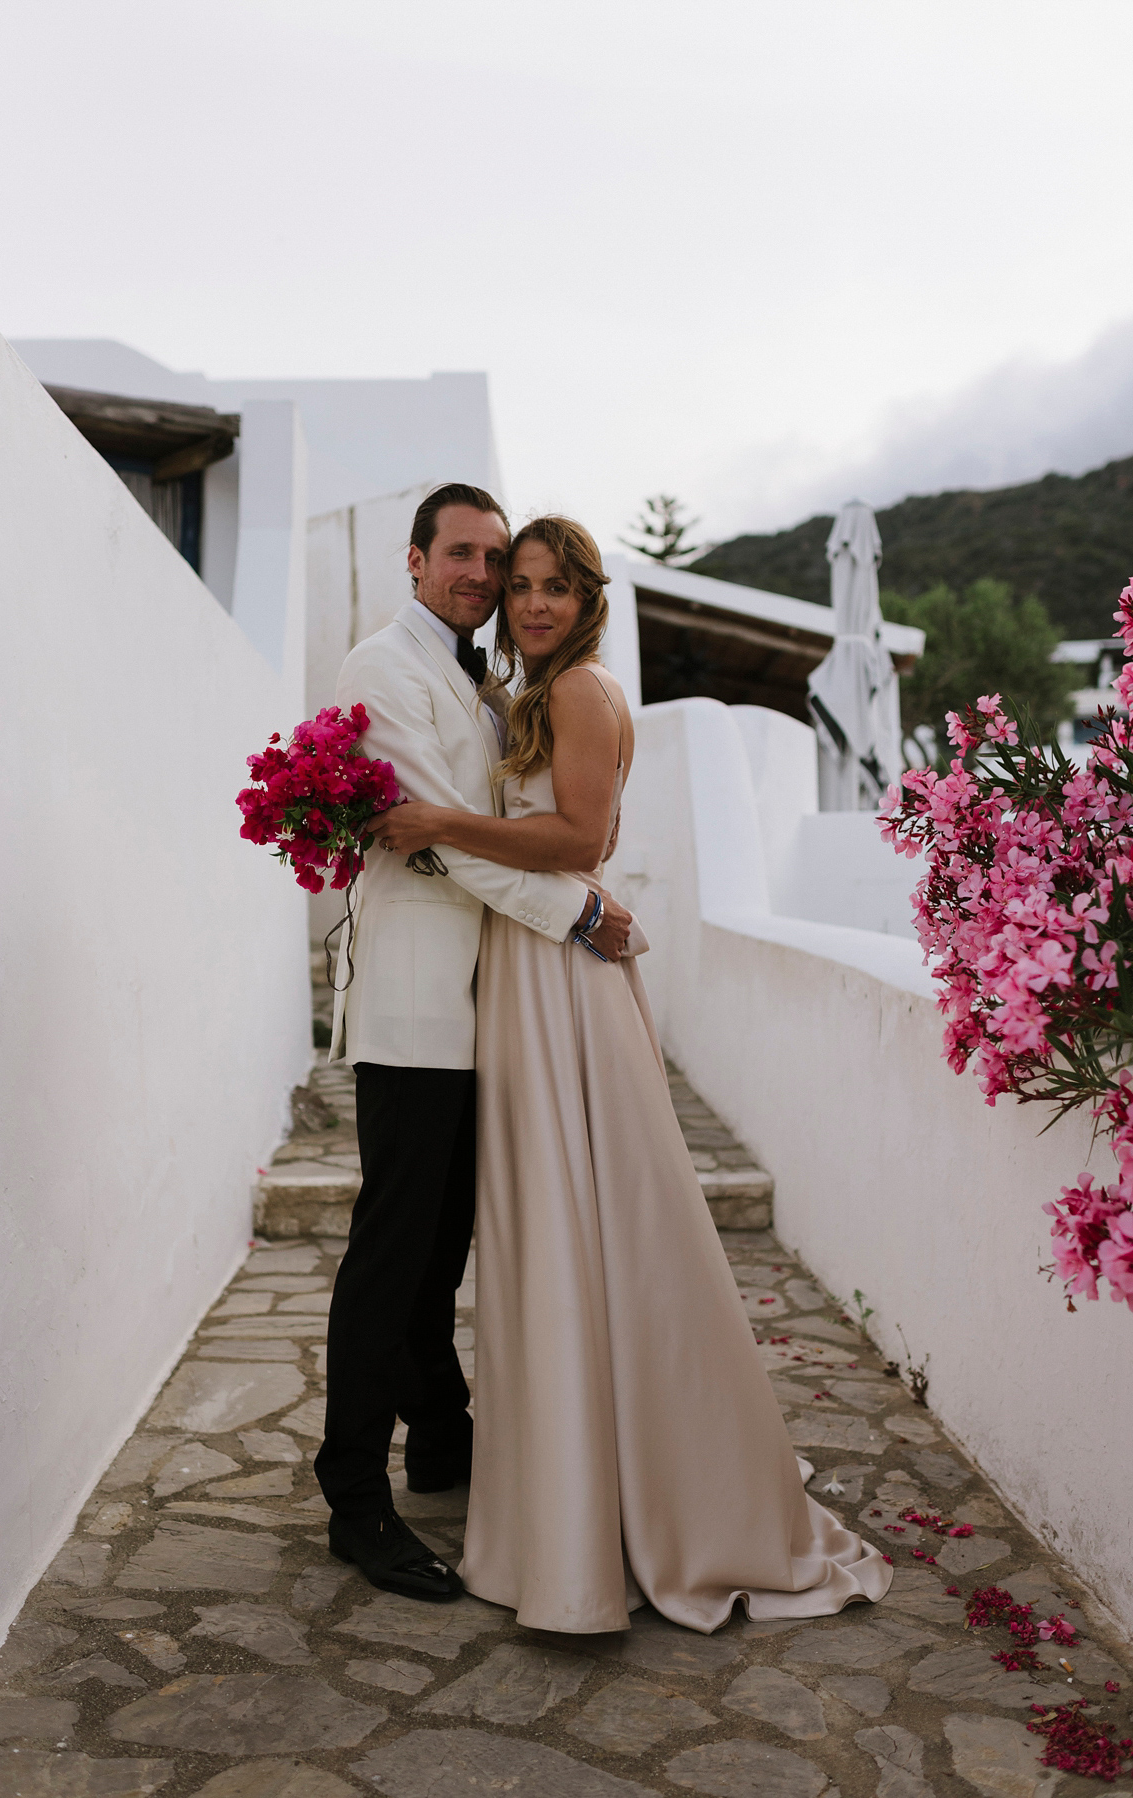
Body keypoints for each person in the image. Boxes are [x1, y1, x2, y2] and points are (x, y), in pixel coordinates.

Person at [369, 515, 892, 1633]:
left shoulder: (580, 692)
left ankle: (621, 1496)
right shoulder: (535, 691)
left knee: (589, 1221)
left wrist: (441, 821)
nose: (535, 604)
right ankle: (575, 1485)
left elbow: (579, 842)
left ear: (590, 597)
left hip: (562, 978)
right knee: (552, 1228)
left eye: (557, 586)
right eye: (521, 586)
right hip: (526, 972)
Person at [314, 484, 632, 1606]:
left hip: (483, 1007)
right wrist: (579, 911)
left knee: (439, 1252)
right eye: (463, 554)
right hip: (414, 1007)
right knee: (391, 1258)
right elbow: (435, 837)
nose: (483, 576)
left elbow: (488, 820)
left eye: (496, 558)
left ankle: (442, 1443)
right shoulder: (383, 668)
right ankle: (355, 1496)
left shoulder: (485, 680)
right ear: (414, 561)